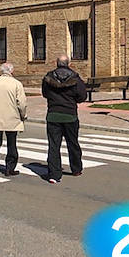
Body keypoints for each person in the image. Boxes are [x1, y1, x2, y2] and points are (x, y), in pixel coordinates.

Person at [42, 55, 87, 184]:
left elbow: (45, 93)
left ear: (57, 63)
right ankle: (76, 168)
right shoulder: (75, 78)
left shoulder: (48, 77)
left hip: (53, 114)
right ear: (69, 63)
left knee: (54, 145)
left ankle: (54, 175)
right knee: (72, 143)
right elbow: (82, 96)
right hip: (70, 114)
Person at [0, 63, 27, 179]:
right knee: (12, 144)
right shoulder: (17, 84)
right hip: (12, 118)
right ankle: (9, 168)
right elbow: (21, 103)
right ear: (11, 71)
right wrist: (23, 115)